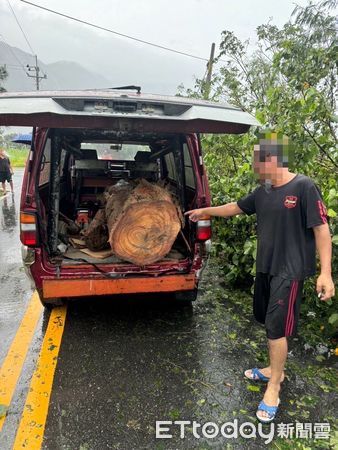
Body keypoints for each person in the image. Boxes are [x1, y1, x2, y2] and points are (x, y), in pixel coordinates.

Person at [184, 131, 335, 423]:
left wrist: (325, 273)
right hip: (265, 267)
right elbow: (234, 208)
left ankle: (274, 385)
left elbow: (321, 229)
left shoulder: (304, 187)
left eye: (258, 161)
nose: (255, 167)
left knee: (276, 328)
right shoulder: (263, 191)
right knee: (265, 319)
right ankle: (272, 368)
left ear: (274, 159)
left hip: (290, 271)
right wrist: (206, 210)